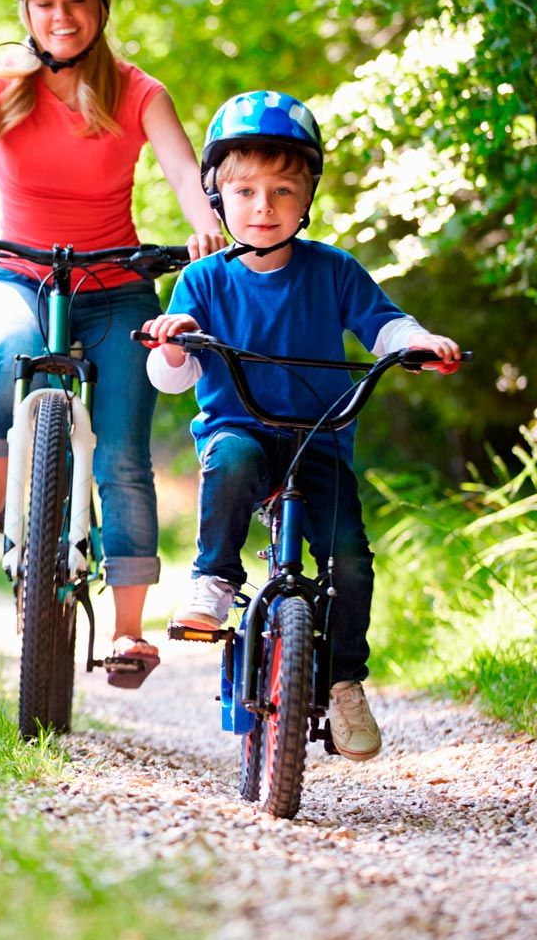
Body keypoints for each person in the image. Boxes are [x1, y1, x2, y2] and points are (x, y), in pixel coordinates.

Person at [0, 0, 226, 687]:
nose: (61, 16)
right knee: (11, 351)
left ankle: (128, 631)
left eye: (77, 0)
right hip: (17, 276)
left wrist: (204, 216)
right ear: (24, 12)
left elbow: (183, 167)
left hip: (115, 291)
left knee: (122, 455)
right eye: (43, 3)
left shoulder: (141, 91)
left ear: (102, 6)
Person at [141, 89, 462, 759]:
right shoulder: (202, 280)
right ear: (217, 195)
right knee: (228, 463)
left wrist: (418, 340)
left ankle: (345, 680)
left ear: (308, 196)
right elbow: (173, 376)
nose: (264, 207)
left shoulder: (334, 270)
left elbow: (383, 323)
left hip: (320, 438)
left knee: (350, 557)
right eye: (247, 191)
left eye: (284, 190)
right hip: (243, 429)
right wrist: (176, 340)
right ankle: (215, 576)